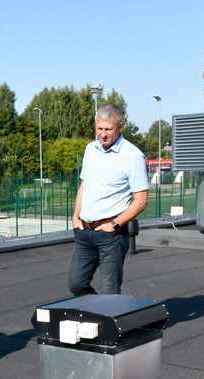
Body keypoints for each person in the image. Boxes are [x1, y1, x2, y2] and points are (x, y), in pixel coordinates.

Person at [69, 103, 149, 296]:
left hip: (110, 235)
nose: (102, 134)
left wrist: (114, 224)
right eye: (99, 129)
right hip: (84, 232)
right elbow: (84, 185)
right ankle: (99, 316)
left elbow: (141, 200)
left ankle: (108, 320)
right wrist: (75, 217)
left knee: (110, 292)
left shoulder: (133, 156)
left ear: (120, 127)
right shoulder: (91, 149)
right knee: (76, 284)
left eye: (108, 129)